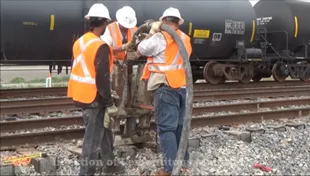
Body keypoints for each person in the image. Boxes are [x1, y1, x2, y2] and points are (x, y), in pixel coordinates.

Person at [124, 7, 193, 176]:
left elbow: (140, 49)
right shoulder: (185, 38)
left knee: (166, 129)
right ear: (178, 22)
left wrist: (151, 33)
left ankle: (170, 169)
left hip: (166, 87)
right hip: (183, 88)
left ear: (163, 21)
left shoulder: (160, 38)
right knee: (179, 128)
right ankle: (182, 165)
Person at [67, 3, 125, 175]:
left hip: (81, 94)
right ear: (105, 23)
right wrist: (108, 101)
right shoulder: (100, 46)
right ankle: (86, 172)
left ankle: (110, 163)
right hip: (94, 98)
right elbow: (102, 78)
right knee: (92, 140)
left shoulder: (80, 41)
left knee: (104, 131)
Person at [101, 6, 138, 95]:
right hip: (113, 64)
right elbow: (105, 49)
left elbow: (139, 46)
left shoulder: (134, 29)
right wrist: (123, 47)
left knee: (130, 88)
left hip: (128, 64)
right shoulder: (110, 28)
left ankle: (127, 105)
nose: (126, 28)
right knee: (115, 89)